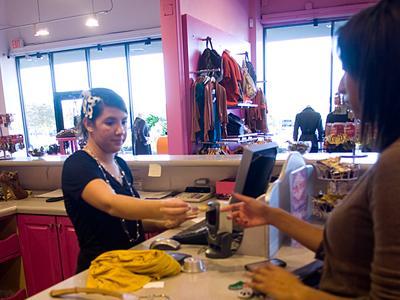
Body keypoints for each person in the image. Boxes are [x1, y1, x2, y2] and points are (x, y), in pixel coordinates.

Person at [224, 0, 400, 298]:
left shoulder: (395, 166)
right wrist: (270, 214)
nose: (343, 86)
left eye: (348, 70)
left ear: (381, 76)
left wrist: (296, 292)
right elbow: (344, 250)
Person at [62, 88, 193, 272]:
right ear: (89, 124)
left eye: (123, 121)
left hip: (131, 264)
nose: (120, 130)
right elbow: (111, 204)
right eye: (110, 122)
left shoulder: (120, 165)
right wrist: (163, 207)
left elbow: (126, 221)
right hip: (101, 272)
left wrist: (162, 223)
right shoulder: (78, 165)